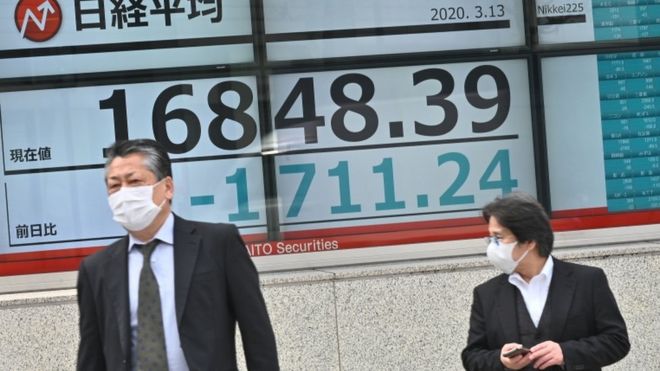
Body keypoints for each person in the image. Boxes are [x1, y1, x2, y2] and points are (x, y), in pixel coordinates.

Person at [77, 139, 279, 370]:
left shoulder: (218, 243)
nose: (124, 194)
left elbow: (257, 333)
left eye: (135, 182)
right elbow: (91, 356)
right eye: (115, 186)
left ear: (167, 187)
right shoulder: (96, 269)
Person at [461, 193, 629, 371]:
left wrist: (566, 352)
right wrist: (501, 359)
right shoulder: (486, 293)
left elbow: (617, 341)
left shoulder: (587, 280)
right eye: (491, 238)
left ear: (529, 241)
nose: (492, 246)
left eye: (499, 237)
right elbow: (472, 356)